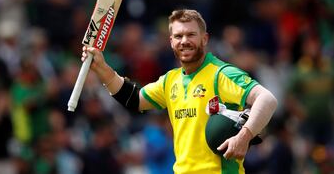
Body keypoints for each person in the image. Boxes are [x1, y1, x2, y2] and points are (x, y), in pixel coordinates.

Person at [81, 9, 278, 174]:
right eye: (178, 36)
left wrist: (244, 136)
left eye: (191, 34)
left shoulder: (221, 73)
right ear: (171, 42)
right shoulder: (170, 80)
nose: (184, 41)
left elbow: (267, 99)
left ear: (204, 39)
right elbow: (134, 99)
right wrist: (102, 68)